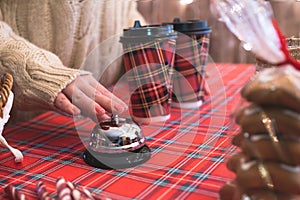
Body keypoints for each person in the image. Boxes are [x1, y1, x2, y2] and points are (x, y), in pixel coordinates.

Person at [0, 0, 145, 123]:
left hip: (99, 111)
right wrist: (42, 72)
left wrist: (146, 48)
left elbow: (125, 9)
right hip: (18, 129)